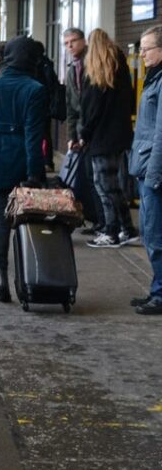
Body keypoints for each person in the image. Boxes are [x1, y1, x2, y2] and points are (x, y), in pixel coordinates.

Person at [0, 35, 47, 302]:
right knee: (26, 224)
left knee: (0, 219)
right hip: (20, 161)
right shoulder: (35, 89)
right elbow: (33, 136)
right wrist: (35, 174)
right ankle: (26, 278)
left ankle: (0, 274)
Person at [79, 28, 137, 248]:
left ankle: (111, 232)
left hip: (101, 138)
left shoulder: (96, 75)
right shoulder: (120, 67)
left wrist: (84, 134)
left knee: (103, 186)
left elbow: (92, 110)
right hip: (119, 135)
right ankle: (127, 229)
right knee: (114, 186)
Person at [129, 25, 162, 314]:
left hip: (155, 171)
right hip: (146, 166)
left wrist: (153, 174)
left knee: (155, 234)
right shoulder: (154, 78)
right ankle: (156, 289)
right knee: (150, 232)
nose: (142, 53)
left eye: (147, 48)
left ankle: (160, 294)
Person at [63, 27, 104, 234]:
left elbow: (95, 104)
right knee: (87, 178)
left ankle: (104, 222)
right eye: (66, 43)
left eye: (73, 41)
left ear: (84, 42)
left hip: (96, 132)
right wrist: (72, 136)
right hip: (81, 132)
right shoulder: (72, 69)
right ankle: (96, 219)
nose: (70, 46)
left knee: (99, 180)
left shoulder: (94, 64)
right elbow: (71, 108)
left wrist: (84, 134)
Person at [31, 40, 62, 171]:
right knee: (45, 134)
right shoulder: (46, 63)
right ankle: (47, 162)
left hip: (40, 104)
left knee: (40, 134)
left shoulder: (38, 65)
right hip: (45, 104)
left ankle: (45, 161)